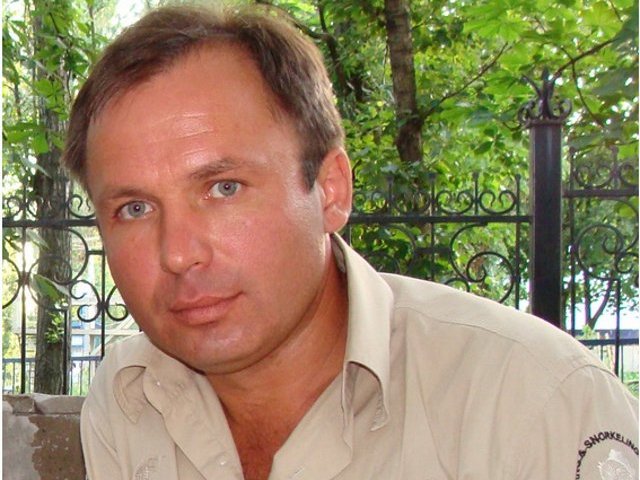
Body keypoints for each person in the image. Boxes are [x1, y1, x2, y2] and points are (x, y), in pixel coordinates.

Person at [62, 4, 638, 480]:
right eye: (135, 208)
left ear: (330, 190)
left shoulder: (535, 404)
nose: (178, 253)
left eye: (224, 187)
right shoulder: (132, 396)